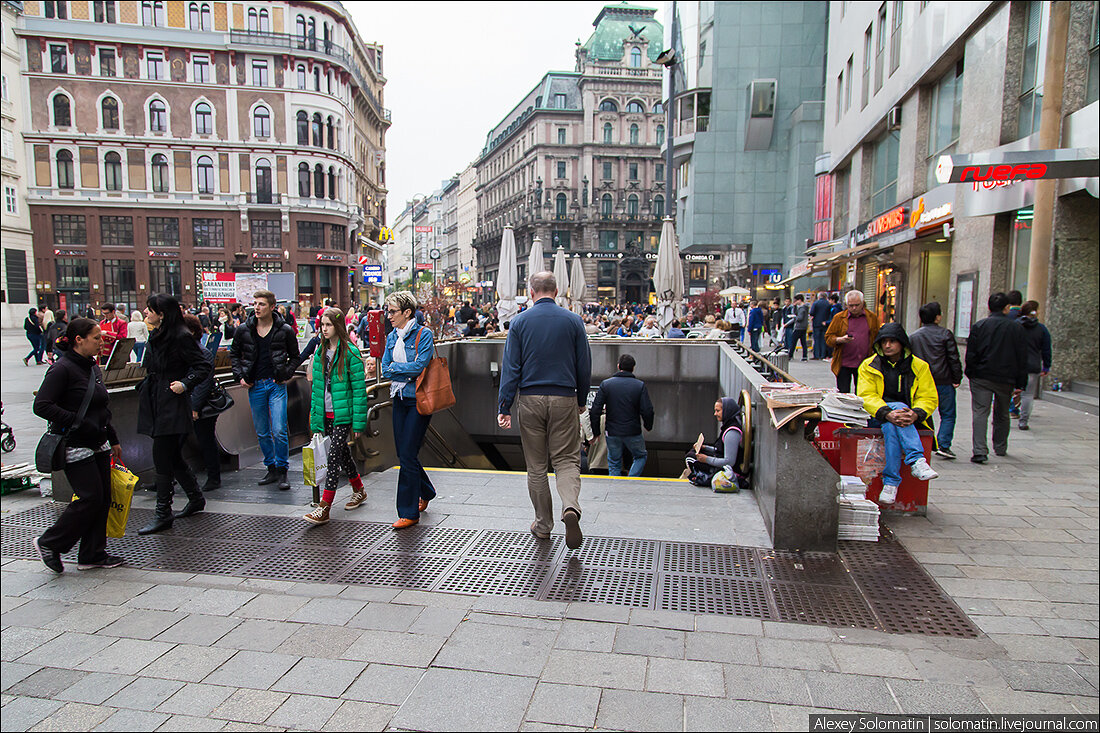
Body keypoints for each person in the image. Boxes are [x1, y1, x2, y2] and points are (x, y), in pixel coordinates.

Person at [498, 271, 591, 549]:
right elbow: (583, 365)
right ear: (557, 289)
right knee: (566, 460)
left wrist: (505, 405)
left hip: (529, 399)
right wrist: (582, 399)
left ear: (530, 291)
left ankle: (542, 525)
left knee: (537, 466)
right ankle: (570, 507)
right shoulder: (574, 321)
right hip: (564, 397)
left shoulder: (519, 322)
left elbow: (511, 367)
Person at [31, 318, 124, 572]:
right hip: (75, 443)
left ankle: (92, 554)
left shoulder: (93, 368)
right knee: (90, 497)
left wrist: (112, 437)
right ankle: (50, 542)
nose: (101, 342)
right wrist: (76, 422)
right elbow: (42, 405)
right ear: (78, 340)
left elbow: (101, 407)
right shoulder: (62, 369)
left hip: (99, 442)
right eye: (96, 338)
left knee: (103, 498)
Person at [134, 295, 213, 534]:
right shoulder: (157, 334)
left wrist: (185, 383)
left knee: (162, 454)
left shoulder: (180, 336)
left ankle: (163, 512)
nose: (146, 313)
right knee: (171, 454)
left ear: (162, 313)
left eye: (150, 310)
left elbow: (203, 366)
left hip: (172, 401)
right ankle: (195, 497)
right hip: (156, 398)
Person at [856, 323, 940, 505]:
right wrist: (887, 412)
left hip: (907, 420)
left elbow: (928, 396)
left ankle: (891, 483)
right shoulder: (868, 365)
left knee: (892, 424)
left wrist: (916, 414)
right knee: (895, 411)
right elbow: (866, 395)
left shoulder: (920, 366)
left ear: (902, 343)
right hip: (876, 416)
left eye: (892, 341)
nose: (887, 346)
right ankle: (916, 460)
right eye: (884, 342)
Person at [230, 290, 302, 491]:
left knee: (279, 429)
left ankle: (282, 469)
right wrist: (240, 376)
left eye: (261, 304)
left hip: (276, 384)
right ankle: (271, 467)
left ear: (272, 307)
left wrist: (286, 373)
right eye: (255, 303)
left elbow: (295, 356)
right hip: (256, 385)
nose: (257, 307)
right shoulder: (244, 329)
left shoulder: (285, 330)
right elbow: (234, 354)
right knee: (262, 431)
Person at [303, 307, 369, 525]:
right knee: (341, 455)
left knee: (333, 459)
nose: (324, 329)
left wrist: (359, 423)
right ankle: (359, 489)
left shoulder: (350, 352)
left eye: (328, 325)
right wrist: (315, 417)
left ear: (338, 326)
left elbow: (359, 391)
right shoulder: (321, 352)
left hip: (343, 415)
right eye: (322, 325)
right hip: (326, 414)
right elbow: (317, 390)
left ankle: (325, 507)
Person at [380, 291, 436, 529]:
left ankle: (409, 511)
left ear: (407, 312)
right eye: (387, 311)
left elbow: (420, 366)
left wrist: (398, 369)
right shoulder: (392, 336)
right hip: (400, 398)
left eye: (392, 311)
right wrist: (404, 370)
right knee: (405, 453)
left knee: (407, 454)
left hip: (419, 400)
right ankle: (427, 491)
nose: (388, 315)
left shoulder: (424, 334)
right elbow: (385, 368)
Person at [964, 292, 1029, 464]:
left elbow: (971, 353)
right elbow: (1022, 357)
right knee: (1002, 413)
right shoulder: (1016, 328)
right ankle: (1000, 446)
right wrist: (1021, 382)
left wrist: (971, 372)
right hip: (1005, 377)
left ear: (989, 307)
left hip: (981, 376)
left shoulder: (980, 326)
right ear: (1007, 308)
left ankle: (979, 450)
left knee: (980, 412)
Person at [908, 302, 963, 459]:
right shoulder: (945, 334)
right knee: (948, 414)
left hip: (922, 381)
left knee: (923, 412)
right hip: (943, 380)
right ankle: (944, 444)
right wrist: (956, 377)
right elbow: (953, 358)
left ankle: (925, 442)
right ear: (938, 317)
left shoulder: (914, 337)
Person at [589, 354, 654, 477]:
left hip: (612, 431)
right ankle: (631, 480)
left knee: (614, 461)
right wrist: (648, 425)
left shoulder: (606, 385)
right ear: (633, 368)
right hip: (633, 430)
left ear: (618, 366)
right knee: (640, 456)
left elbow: (595, 410)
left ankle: (614, 486)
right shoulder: (639, 385)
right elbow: (647, 410)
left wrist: (596, 431)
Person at [182, 314, 222, 492]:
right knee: (177, 441)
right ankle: (168, 477)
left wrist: (194, 407)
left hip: (202, 406)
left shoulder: (201, 353)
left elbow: (204, 382)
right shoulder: (186, 352)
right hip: (188, 403)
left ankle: (214, 477)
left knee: (206, 439)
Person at [825, 290, 880, 393]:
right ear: (846, 305)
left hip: (865, 363)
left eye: (857, 305)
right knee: (843, 394)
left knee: (863, 393)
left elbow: (877, 337)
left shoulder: (871, 317)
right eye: (851, 306)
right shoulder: (839, 317)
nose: (854, 308)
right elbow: (828, 338)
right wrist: (839, 339)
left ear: (863, 303)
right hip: (844, 362)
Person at [685, 398, 746, 489]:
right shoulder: (728, 425)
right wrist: (704, 447)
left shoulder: (732, 432)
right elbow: (721, 450)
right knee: (694, 452)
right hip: (720, 460)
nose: (715, 414)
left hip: (729, 470)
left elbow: (729, 461)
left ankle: (710, 474)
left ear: (726, 411)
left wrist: (706, 459)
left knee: (691, 458)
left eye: (718, 411)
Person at [1016, 300, 1052, 431]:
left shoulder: (1015, 326)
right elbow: (1046, 349)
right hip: (1032, 366)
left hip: (1014, 365)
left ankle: (1001, 416)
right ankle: (1023, 421)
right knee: (1027, 395)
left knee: (1006, 392)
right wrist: (1046, 366)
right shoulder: (1041, 329)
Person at [810, 291, 832, 360]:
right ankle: (823, 355)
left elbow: (812, 312)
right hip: (825, 323)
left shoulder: (816, 303)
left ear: (819, 296)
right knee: (823, 340)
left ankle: (817, 355)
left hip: (816, 323)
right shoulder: (828, 304)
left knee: (816, 340)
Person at [789, 295, 809, 360]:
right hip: (804, 327)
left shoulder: (802, 308)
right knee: (803, 342)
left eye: (796, 301)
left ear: (799, 300)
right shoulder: (805, 307)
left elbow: (800, 318)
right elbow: (796, 313)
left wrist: (794, 318)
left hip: (799, 327)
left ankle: (790, 355)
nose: (795, 302)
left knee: (793, 341)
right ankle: (804, 356)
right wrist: (794, 307)